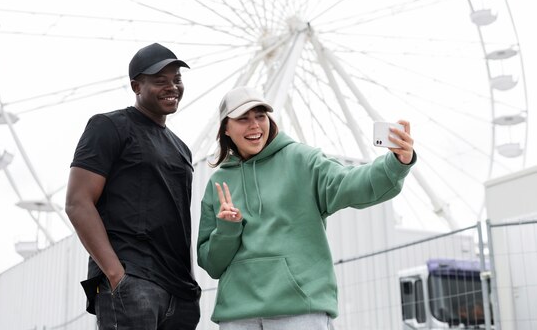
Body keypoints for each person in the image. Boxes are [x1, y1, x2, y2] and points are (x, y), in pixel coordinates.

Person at [197, 86, 416, 329]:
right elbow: (211, 264)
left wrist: (396, 163)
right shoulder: (218, 183)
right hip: (237, 316)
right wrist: (227, 229)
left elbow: (349, 183)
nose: (255, 125)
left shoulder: (301, 160)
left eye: (260, 116)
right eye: (243, 119)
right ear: (225, 128)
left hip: (299, 311)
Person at [66, 43, 201, 330]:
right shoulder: (109, 126)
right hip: (133, 281)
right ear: (136, 85)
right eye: (160, 80)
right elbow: (78, 202)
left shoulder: (182, 149)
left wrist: (190, 289)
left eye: (177, 79)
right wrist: (116, 275)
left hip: (179, 294)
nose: (172, 87)